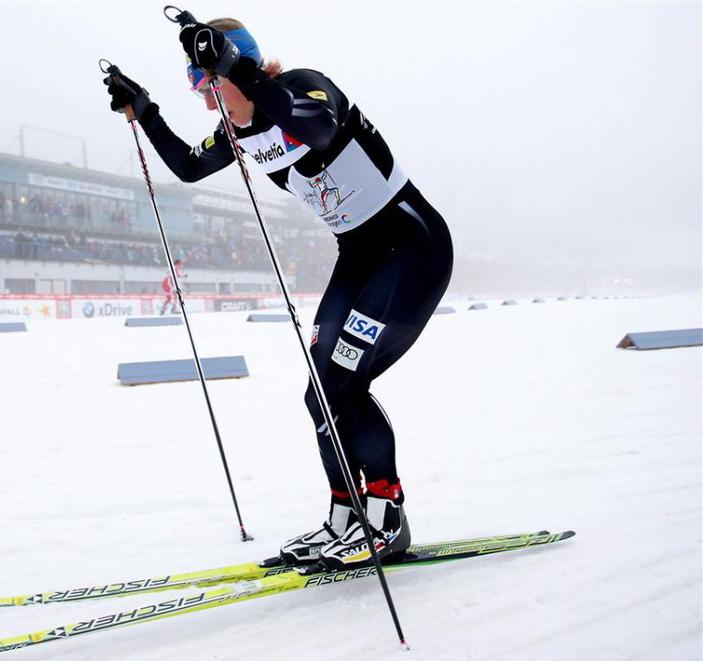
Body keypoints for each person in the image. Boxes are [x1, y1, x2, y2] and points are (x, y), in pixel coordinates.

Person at [105, 17, 453, 570]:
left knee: (343, 379)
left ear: (234, 68)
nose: (205, 99)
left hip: (411, 247)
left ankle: (387, 515)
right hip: (359, 255)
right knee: (322, 392)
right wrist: (144, 109)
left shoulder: (302, 86)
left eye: (207, 83)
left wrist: (235, 65)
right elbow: (191, 168)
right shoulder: (237, 133)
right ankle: (345, 516)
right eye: (196, 87)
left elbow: (314, 127)